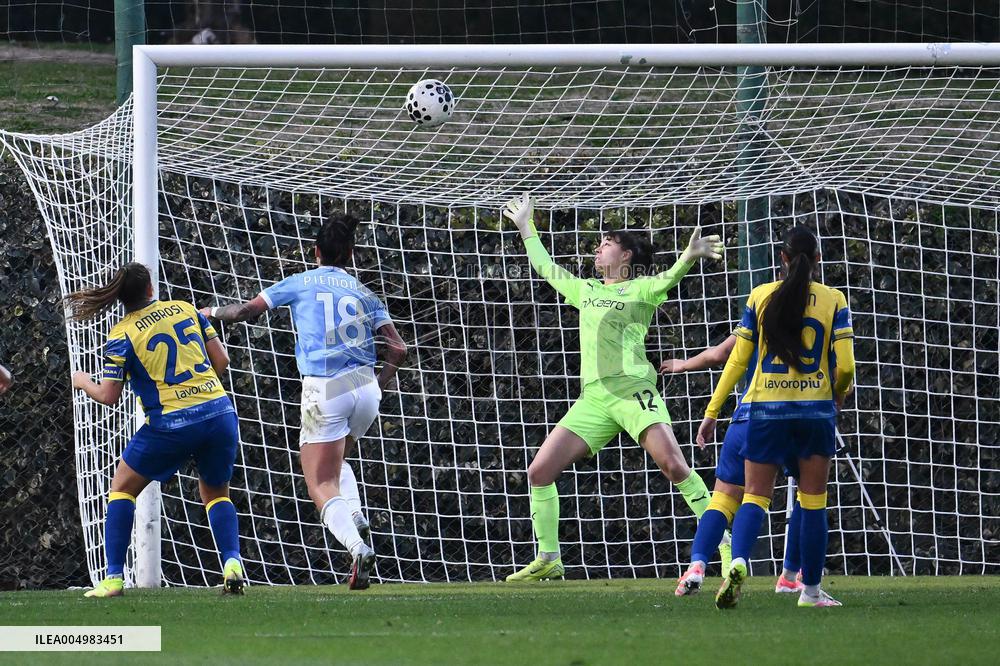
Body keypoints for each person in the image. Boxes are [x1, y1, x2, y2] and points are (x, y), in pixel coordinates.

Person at [502, 193, 727, 582]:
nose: (598, 248)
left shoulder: (641, 290)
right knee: (539, 472)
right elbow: (545, 267)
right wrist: (526, 226)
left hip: (632, 392)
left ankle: (722, 541)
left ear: (625, 257)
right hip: (594, 400)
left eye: (606, 243)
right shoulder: (585, 289)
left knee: (673, 465)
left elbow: (668, 277)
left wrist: (688, 257)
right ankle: (550, 557)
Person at [203, 213, 407, 590]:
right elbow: (397, 347)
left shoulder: (299, 282)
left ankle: (355, 545)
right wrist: (377, 384)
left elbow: (245, 312)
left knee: (318, 480)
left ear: (315, 250)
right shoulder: (365, 292)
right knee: (336, 460)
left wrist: (209, 313)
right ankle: (356, 516)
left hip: (324, 388)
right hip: (366, 388)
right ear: (350, 253)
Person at [697, 225, 855, 609]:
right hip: (814, 412)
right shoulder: (833, 300)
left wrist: (712, 411)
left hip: (764, 410)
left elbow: (737, 359)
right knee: (813, 500)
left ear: (781, 258)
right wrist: (837, 394)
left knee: (753, 496)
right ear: (817, 260)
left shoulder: (761, 296)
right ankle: (811, 592)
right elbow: (847, 366)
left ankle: (737, 562)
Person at [67, 262, 244, 597]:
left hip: (171, 424)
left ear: (121, 297)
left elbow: (107, 396)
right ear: (150, 288)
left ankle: (114, 579)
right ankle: (232, 563)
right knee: (217, 493)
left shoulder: (122, 334)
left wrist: (81, 382)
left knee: (121, 488)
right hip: (219, 413)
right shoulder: (186, 309)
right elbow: (221, 361)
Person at [663, 337, 805, 597]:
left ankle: (696, 565)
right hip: (792, 416)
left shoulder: (759, 305)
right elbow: (842, 372)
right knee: (802, 497)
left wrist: (711, 411)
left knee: (722, 500)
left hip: (745, 414)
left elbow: (727, 356)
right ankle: (788, 575)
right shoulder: (825, 307)